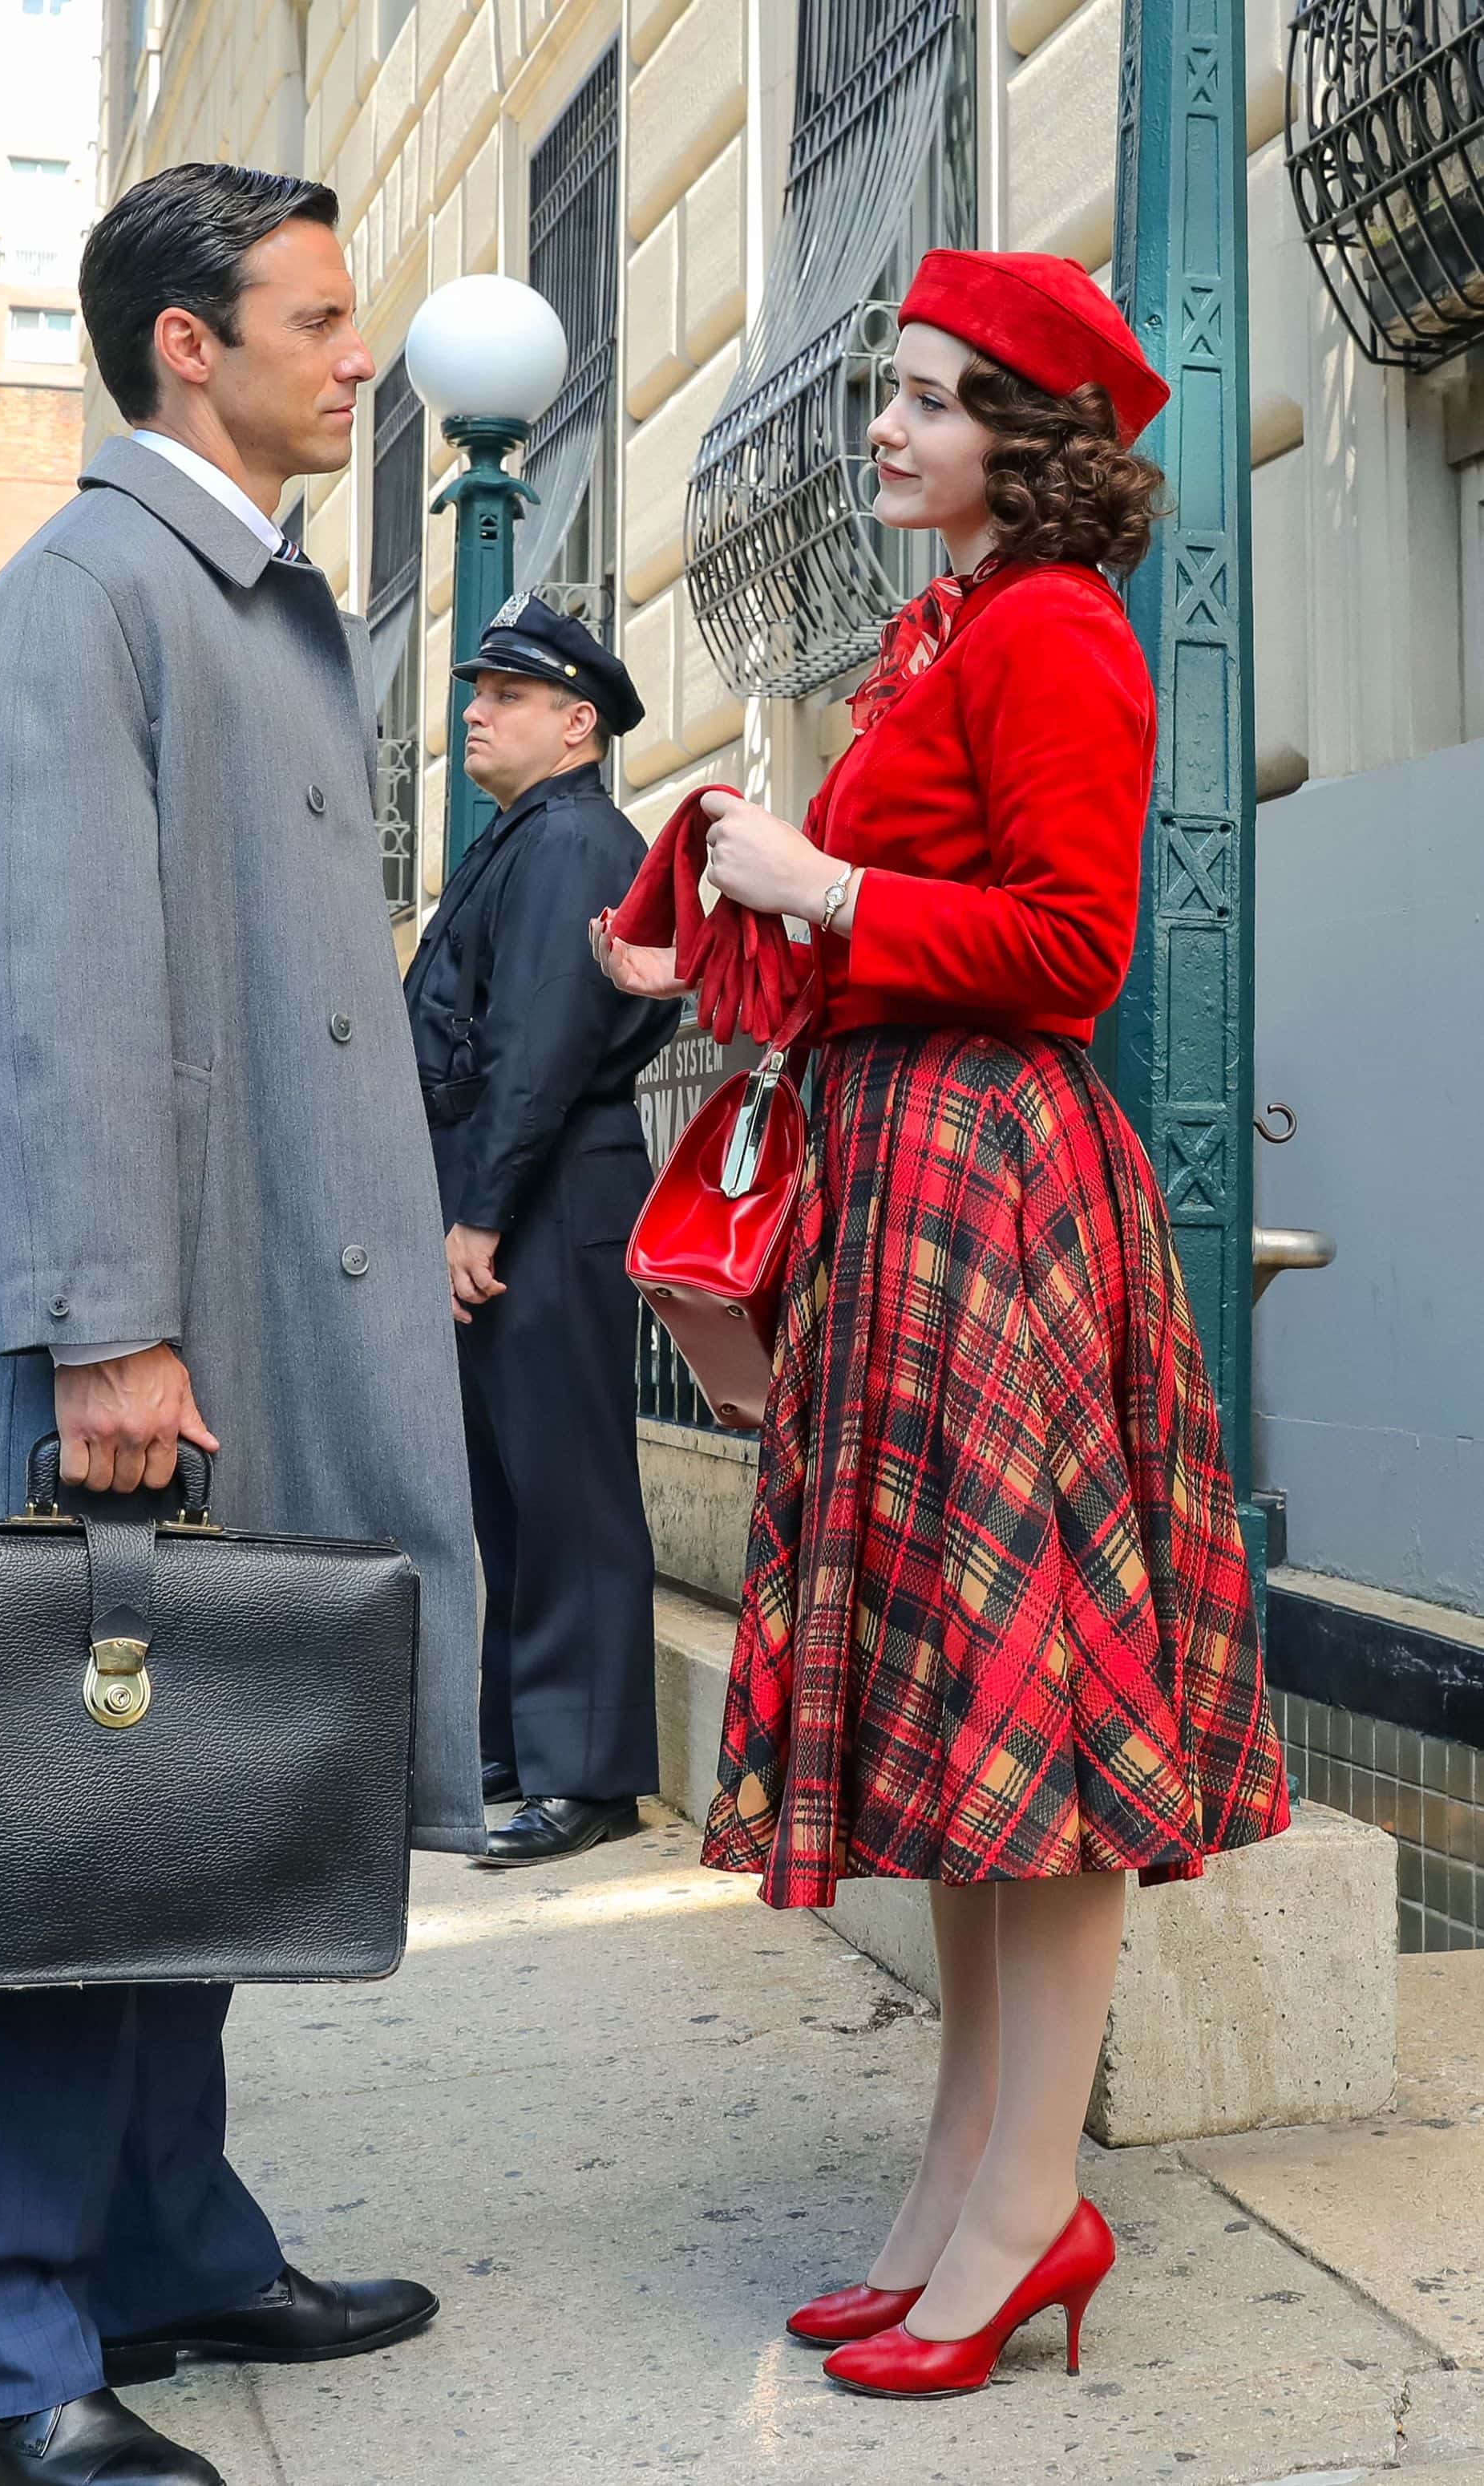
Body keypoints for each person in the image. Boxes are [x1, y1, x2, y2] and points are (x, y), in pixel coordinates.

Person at [595, 249, 1290, 2399]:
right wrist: (752, 890)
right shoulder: (951, 628)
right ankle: (961, 2192)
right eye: (884, 391)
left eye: (922, 397)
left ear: (1031, 436)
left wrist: (819, 886)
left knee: (1029, 1718)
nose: (879, 427)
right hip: (914, 1174)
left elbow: (1072, 947)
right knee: (968, 1732)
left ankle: (1014, 2211)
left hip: (988, 1175)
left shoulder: (1053, 629)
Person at [0, 162, 481, 2486]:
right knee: (45, 1820)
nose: (361, 358)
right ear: (184, 349)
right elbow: (55, 999)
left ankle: (162, 2240)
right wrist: (107, 1325)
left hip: (256, 1295)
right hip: (147, 1332)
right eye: (322, 321)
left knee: (192, 1790)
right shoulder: (83, 599)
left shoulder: (228, 591)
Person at [404, 595, 680, 1866]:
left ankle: (589, 1772)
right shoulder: (525, 834)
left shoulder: (570, 840)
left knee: (563, 1483)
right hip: (519, 1186)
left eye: (505, 696)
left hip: (549, 1189)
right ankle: (518, 1741)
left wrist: (479, 1214)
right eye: (478, 691)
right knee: (507, 1485)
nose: (475, 710)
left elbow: (538, 1047)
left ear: (577, 725)